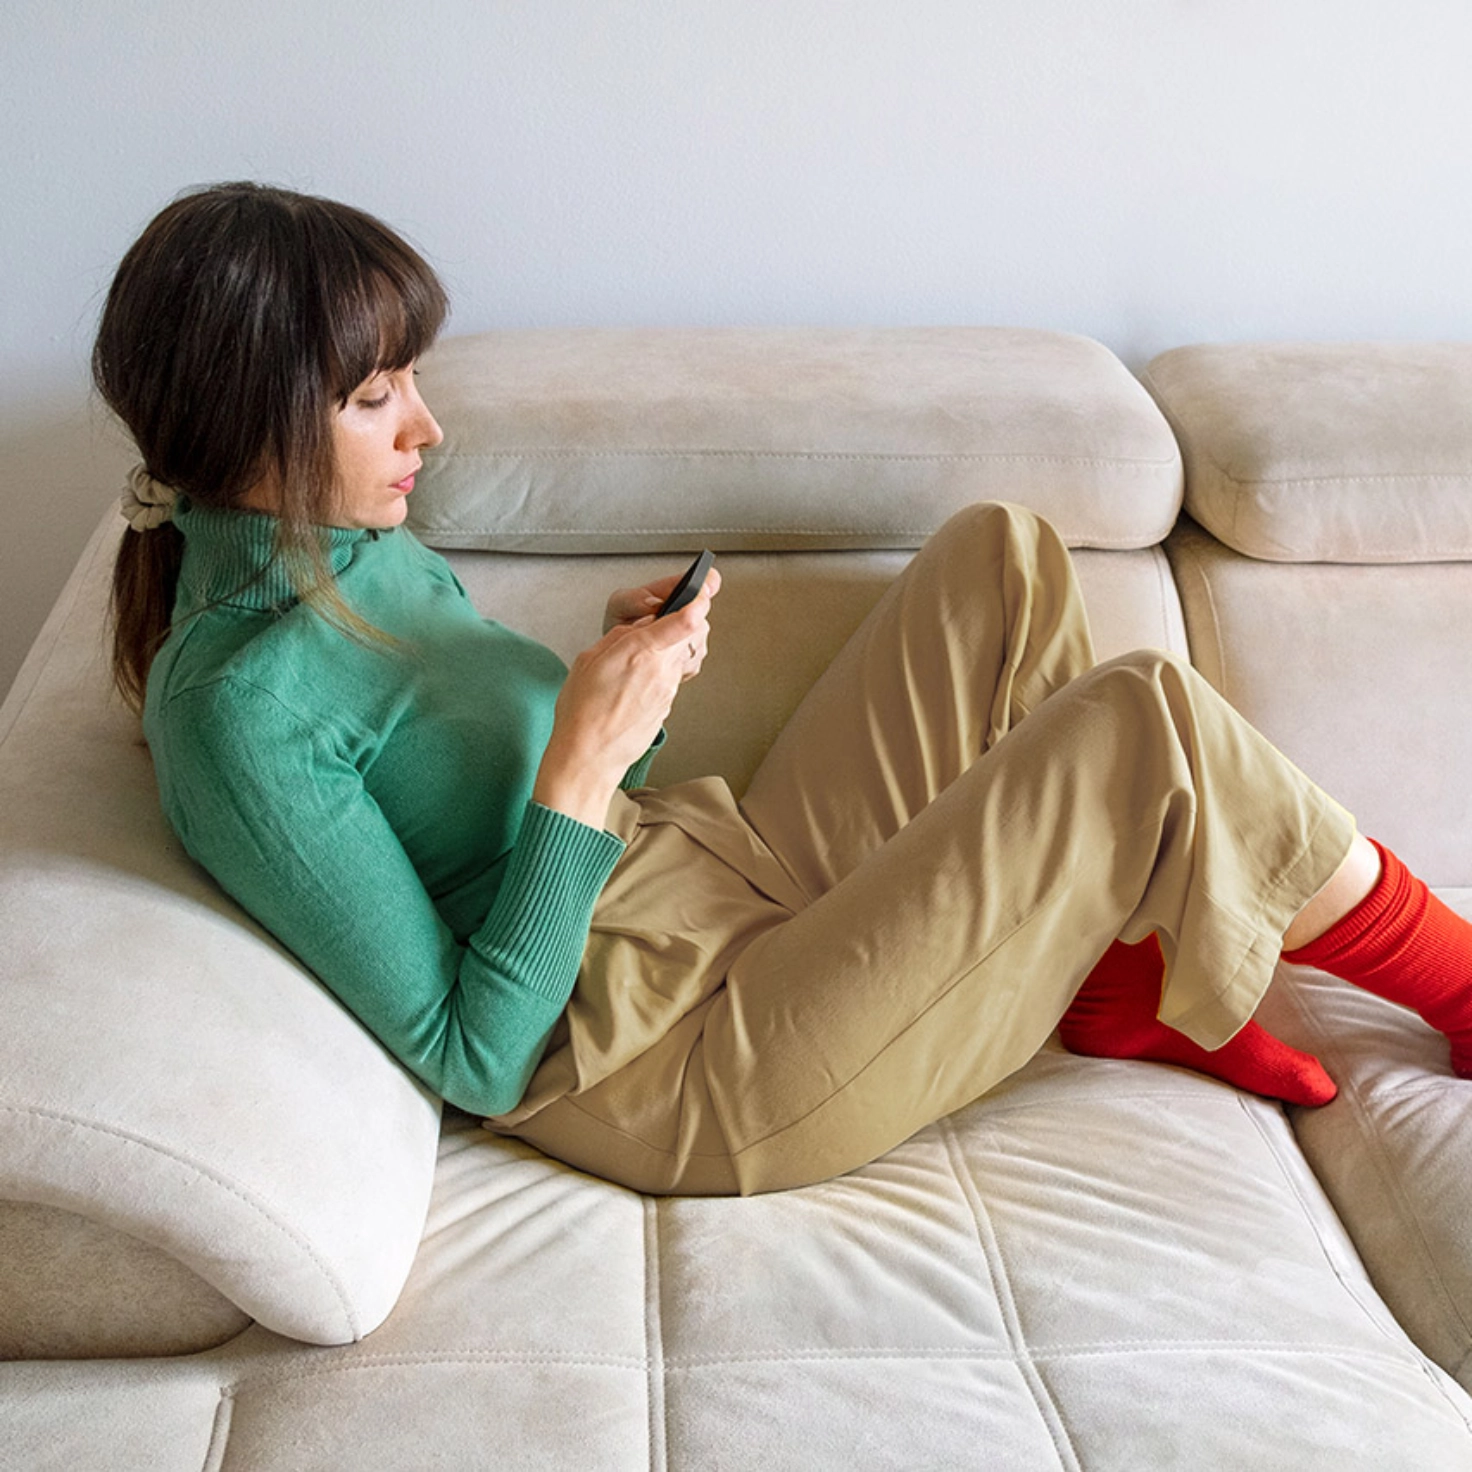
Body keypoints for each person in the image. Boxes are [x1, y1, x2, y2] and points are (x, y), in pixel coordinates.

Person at [95, 182, 1472, 1196]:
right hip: (688, 1065)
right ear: (249, 420)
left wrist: (615, 694)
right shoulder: (234, 714)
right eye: (374, 398)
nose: (428, 428)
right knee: (1138, 724)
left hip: (716, 885)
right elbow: (476, 1057)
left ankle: (1115, 975)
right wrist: (581, 762)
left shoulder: (356, 549)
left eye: (411, 381)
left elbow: (521, 805)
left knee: (1000, 556)